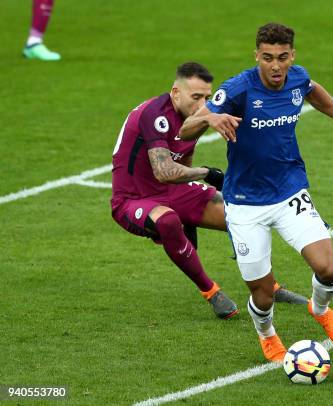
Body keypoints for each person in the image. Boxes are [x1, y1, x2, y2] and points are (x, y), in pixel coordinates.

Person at [179, 23, 333, 362]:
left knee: (328, 270)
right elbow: (185, 128)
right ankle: (266, 333)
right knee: (264, 295)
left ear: (292, 56)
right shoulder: (238, 89)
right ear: (257, 56)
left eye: (282, 58)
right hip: (244, 204)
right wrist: (209, 119)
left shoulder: (297, 78)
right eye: (267, 58)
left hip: (289, 193)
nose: (276, 66)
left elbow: (315, 92)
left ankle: (321, 308)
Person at [110, 62, 306, 320]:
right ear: (175, 92)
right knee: (168, 220)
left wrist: (190, 197)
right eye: (196, 97)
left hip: (172, 191)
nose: (202, 104)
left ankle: (270, 286)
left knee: (242, 214)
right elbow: (164, 171)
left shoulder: (196, 118)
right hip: (134, 198)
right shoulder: (155, 115)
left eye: (207, 97)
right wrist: (207, 173)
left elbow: (182, 163)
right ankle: (211, 292)